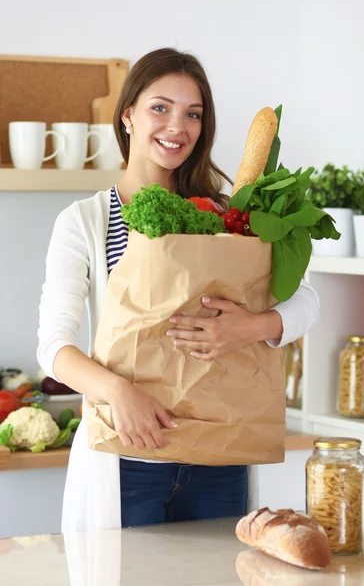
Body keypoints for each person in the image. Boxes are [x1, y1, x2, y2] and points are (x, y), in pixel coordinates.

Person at [37, 47, 320, 533]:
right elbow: (53, 346)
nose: (177, 126)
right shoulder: (84, 221)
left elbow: (307, 300)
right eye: (160, 107)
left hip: (220, 454)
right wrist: (118, 393)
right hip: (128, 458)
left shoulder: (232, 215)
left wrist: (251, 327)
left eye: (193, 114)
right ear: (127, 116)